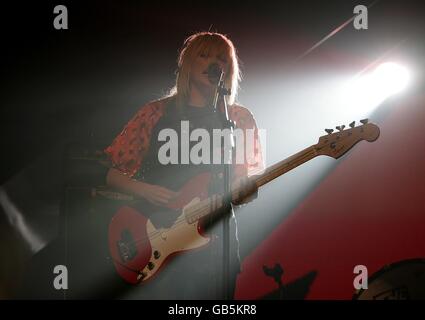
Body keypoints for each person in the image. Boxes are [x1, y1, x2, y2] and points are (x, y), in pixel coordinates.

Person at [104, 32, 264, 299]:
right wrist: (144, 190)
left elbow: (243, 184)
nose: (213, 64)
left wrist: (245, 190)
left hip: (215, 246)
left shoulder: (238, 118)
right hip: (156, 234)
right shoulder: (156, 113)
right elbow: (108, 171)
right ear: (187, 64)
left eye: (220, 59)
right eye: (204, 56)